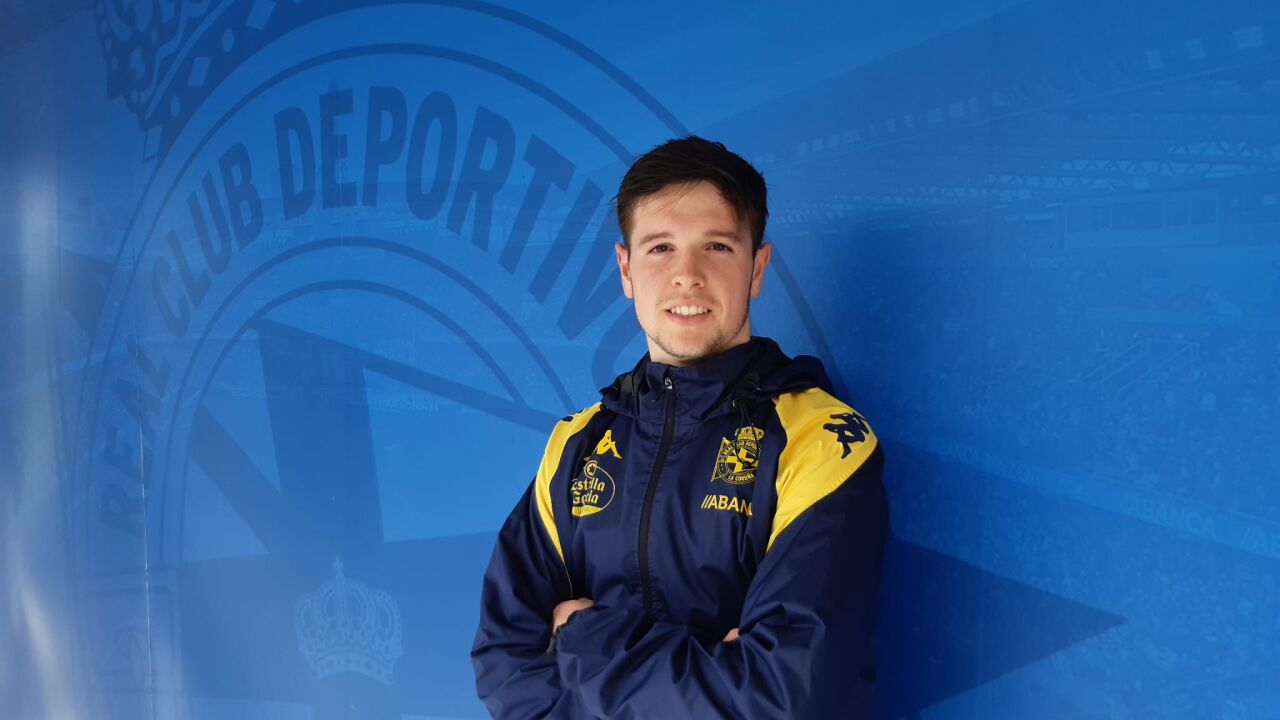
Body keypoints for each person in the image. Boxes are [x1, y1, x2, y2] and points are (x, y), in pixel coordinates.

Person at [471, 136, 889, 719]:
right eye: (661, 247)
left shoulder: (822, 442)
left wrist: (581, 636)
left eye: (717, 246)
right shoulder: (577, 444)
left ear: (756, 267)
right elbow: (504, 663)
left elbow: (781, 698)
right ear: (626, 268)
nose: (687, 276)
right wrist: (716, 669)